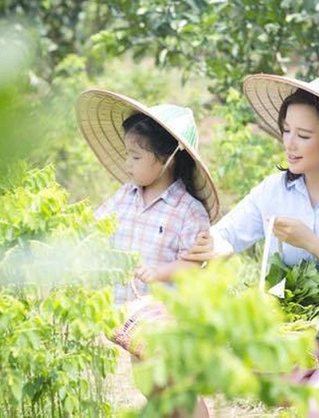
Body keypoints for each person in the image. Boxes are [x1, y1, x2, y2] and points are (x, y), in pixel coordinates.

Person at [182, 73, 319, 410]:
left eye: (304, 135)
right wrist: (212, 246)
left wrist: (312, 242)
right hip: (303, 333)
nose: (289, 143)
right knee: (266, 379)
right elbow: (230, 232)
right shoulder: (276, 189)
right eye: (287, 130)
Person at [76, 89, 219, 417]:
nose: (127, 164)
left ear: (168, 159)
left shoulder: (187, 210)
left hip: (169, 317)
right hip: (132, 316)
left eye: (136, 157)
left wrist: (160, 272)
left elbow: (195, 264)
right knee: (149, 384)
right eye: (127, 155)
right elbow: (97, 227)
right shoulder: (125, 195)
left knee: (177, 386)